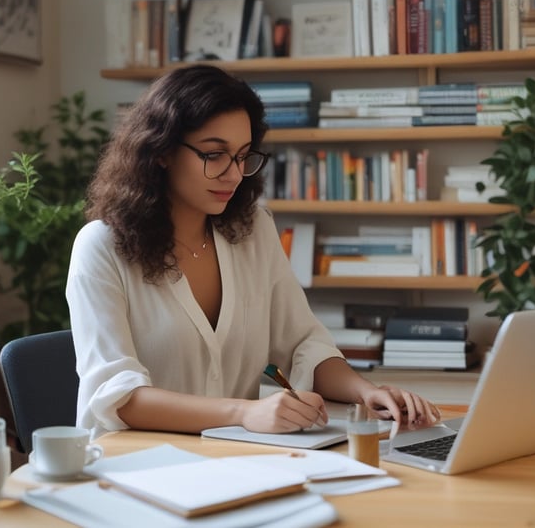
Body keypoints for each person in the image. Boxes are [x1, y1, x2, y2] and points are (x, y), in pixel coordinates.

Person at [67, 64, 441, 437]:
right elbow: (119, 396)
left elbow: (302, 343)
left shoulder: (252, 230)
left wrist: (367, 393)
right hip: (132, 468)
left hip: (235, 461)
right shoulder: (101, 247)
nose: (233, 174)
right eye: (214, 155)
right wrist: (244, 413)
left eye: (243, 155)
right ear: (161, 150)